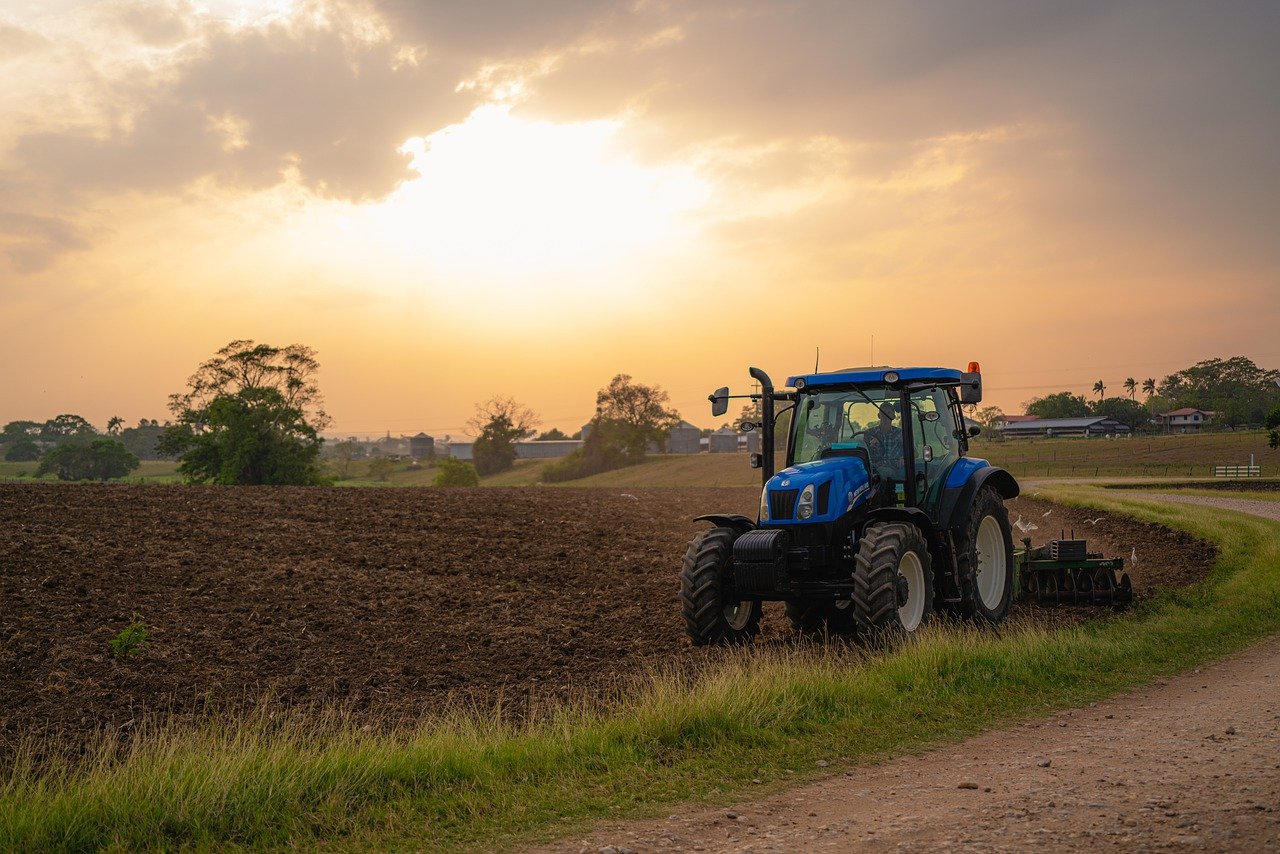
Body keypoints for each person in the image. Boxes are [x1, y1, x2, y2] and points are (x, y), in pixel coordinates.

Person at [864, 402, 904, 480]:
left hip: (895, 469)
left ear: (893, 416)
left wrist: (903, 457)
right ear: (879, 416)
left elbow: (914, 453)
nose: (885, 416)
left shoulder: (900, 433)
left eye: (889, 413)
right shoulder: (869, 433)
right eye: (883, 413)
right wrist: (870, 447)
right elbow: (864, 454)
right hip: (874, 470)